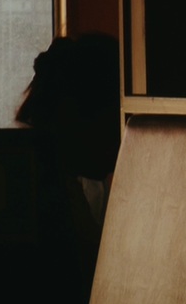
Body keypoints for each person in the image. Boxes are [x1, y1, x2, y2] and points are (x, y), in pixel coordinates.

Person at [15, 31, 121, 283]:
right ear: (71, 113)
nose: (120, 141)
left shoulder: (54, 180)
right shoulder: (46, 195)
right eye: (112, 124)